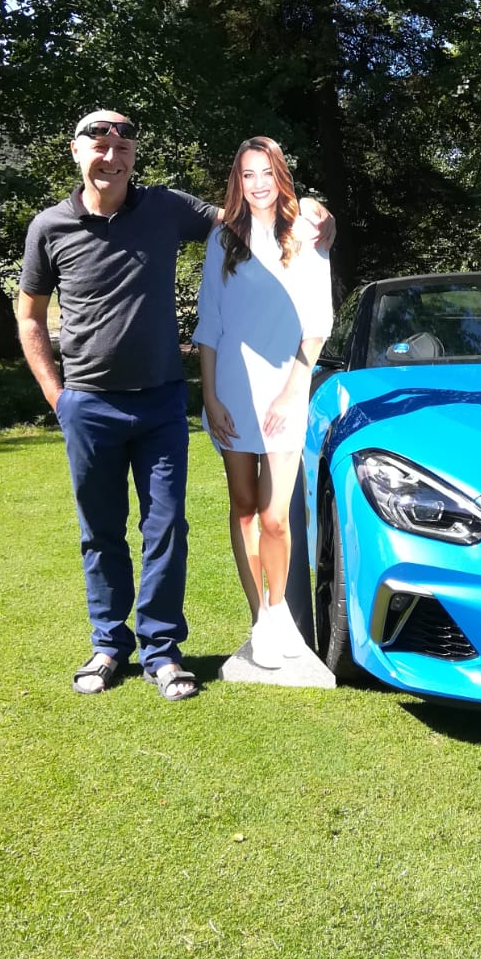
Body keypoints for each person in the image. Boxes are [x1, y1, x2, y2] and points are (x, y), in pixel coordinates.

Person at [17, 112, 333, 701]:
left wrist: (312, 209)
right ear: (76, 151)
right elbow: (30, 316)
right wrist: (57, 396)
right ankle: (108, 645)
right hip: (88, 402)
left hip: (161, 402)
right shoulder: (49, 226)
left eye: (123, 146)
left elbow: (246, 216)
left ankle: (162, 651)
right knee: (100, 531)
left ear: (133, 155)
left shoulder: (165, 207)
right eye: (99, 144)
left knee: (165, 529)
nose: (111, 155)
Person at [194, 136, 333, 670]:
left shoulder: (307, 232)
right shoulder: (222, 238)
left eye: (266, 173)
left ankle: (280, 611)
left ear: (281, 176)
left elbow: (318, 322)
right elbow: (210, 323)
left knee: (276, 517)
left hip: (286, 391)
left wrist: (294, 389)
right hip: (232, 389)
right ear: (237, 181)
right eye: (247, 174)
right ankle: (260, 619)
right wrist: (209, 395)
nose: (257, 184)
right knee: (245, 507)